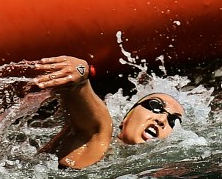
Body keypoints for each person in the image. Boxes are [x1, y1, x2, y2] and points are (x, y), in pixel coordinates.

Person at [25, 55, 185, 169]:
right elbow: (81, 85)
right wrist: (81, 70)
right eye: (155, 106)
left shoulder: (152, 169)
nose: (162, 119)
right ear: (126, 118)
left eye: (173, 121)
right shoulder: (99, 138)